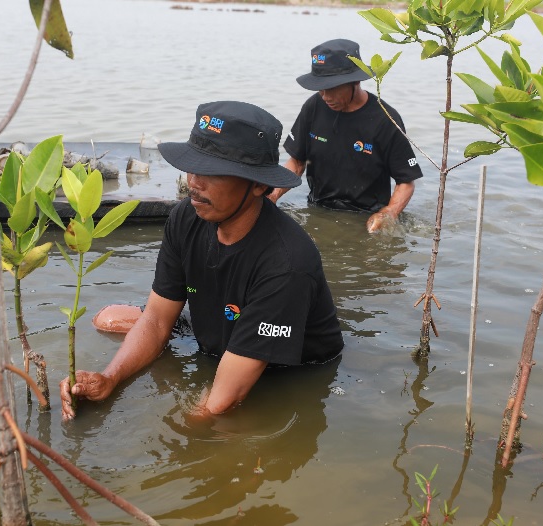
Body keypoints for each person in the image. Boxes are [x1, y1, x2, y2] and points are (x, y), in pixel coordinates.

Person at [60, 100, 344, 420]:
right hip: (219, 328)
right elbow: (155, 320)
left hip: (279, 366)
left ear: (259, 184)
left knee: (211, 421)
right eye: (192, 166)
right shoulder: (186, 217)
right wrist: (109, 379)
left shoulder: (287, 264)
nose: (194, 182)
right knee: (106, 319)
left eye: (212, 172)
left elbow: (219, 402)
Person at [269, 38, 423, 233]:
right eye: (320, 88)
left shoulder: (386, 119)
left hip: (365, 215)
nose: (325, 96)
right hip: (318, 209)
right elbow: (297, 163)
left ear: (355, 81)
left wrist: (389, 213)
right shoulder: (314, 106)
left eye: (332, 88)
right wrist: (273, 195)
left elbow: (406, 182)